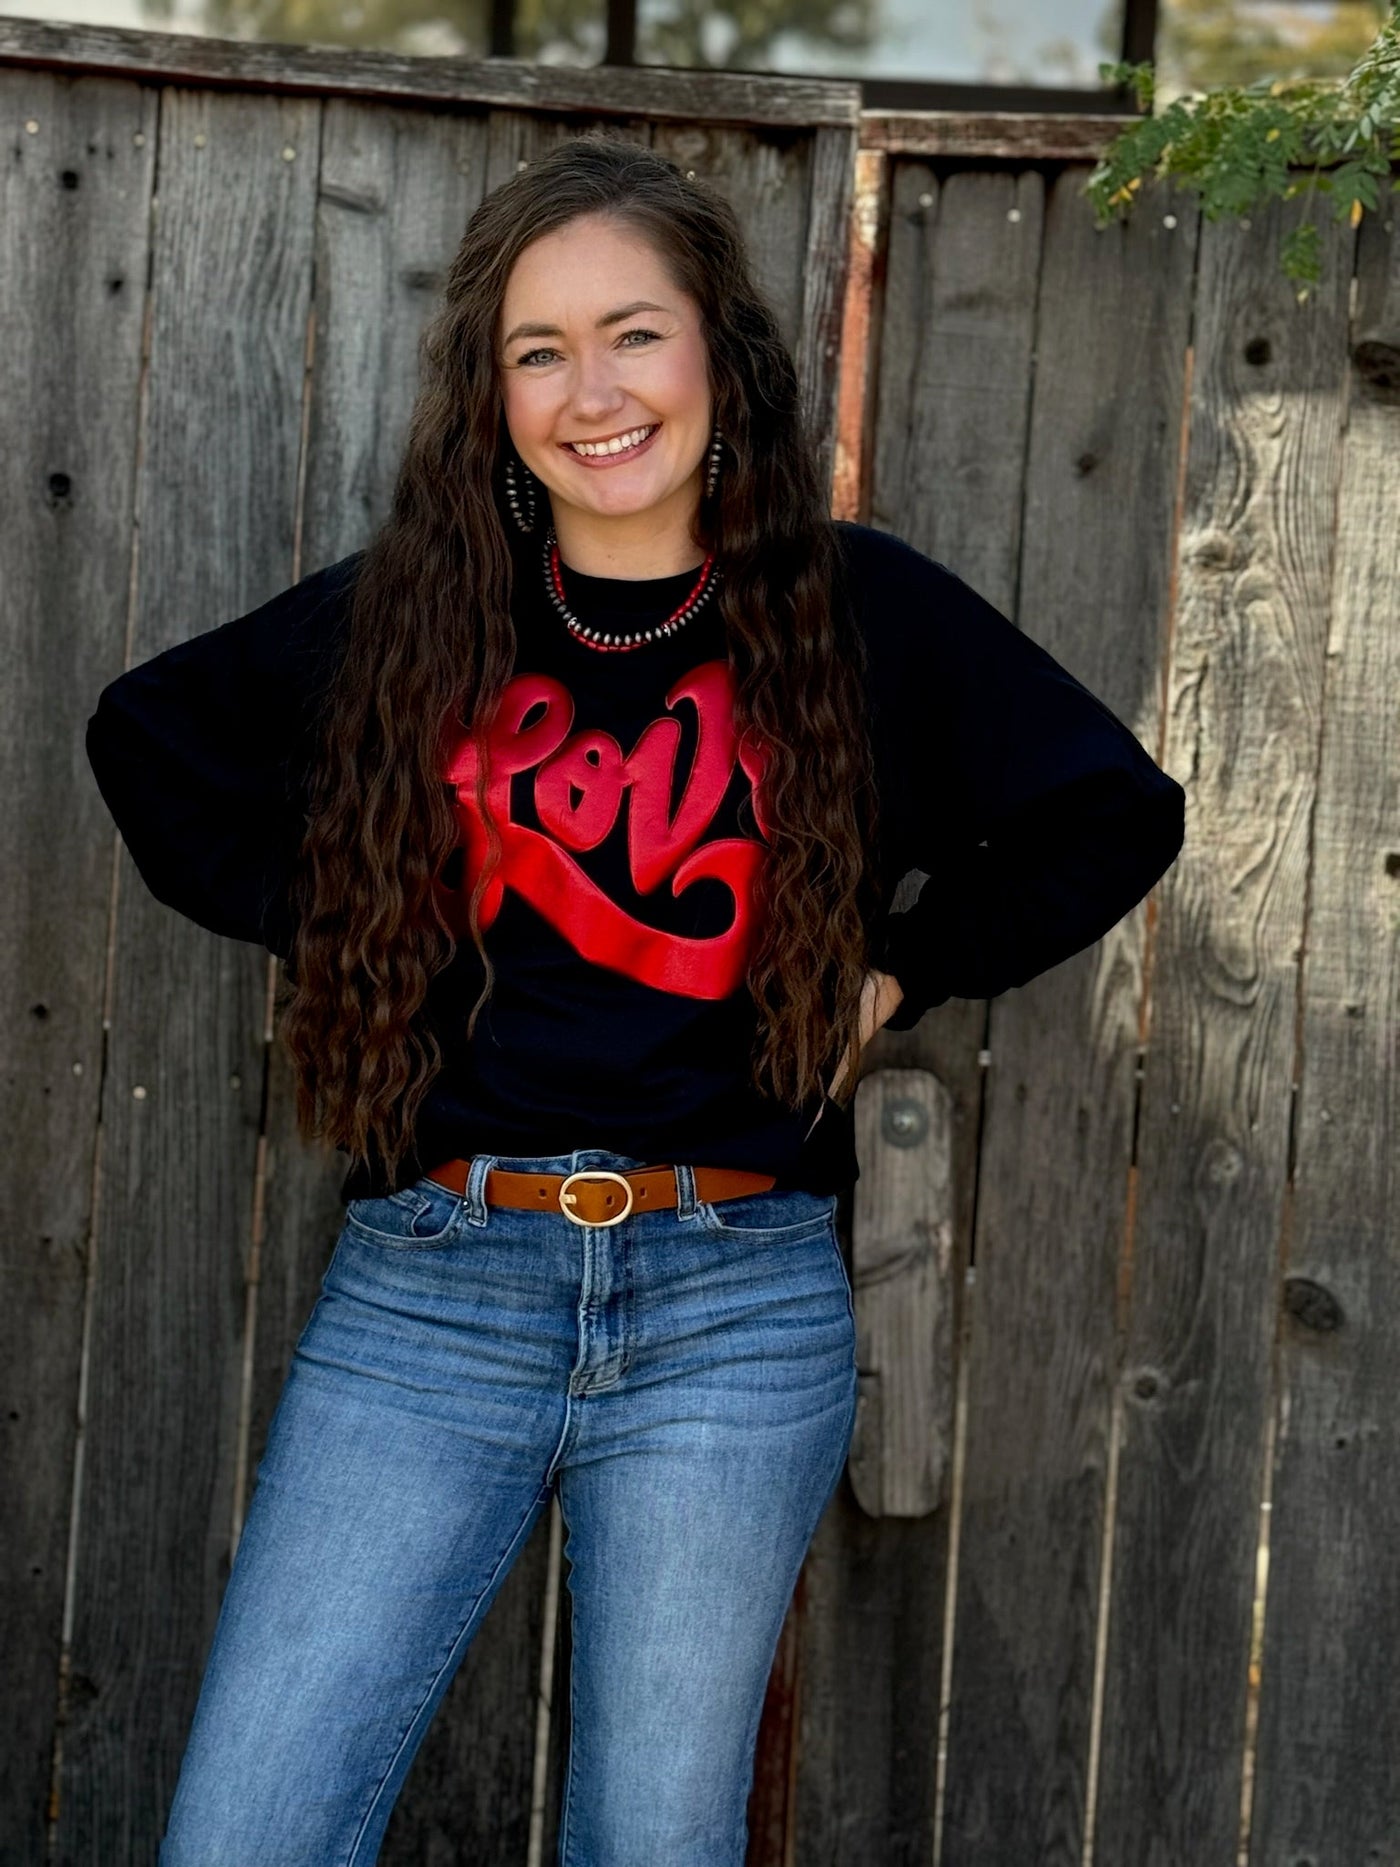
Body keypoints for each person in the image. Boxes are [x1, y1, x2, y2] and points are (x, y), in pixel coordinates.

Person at [85, 135, 1185, 1866]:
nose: (591, 390)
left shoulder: (856, 610)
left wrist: (912, 964)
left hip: (734, 1309)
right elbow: (149, 742)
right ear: (492, 393)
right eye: (539, 350)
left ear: (719, 357)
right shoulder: (424, 614)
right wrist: (362, 915)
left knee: (652, 1846)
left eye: (633, 334)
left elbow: (1114, 814)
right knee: (246, 1833)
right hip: (433, 1291)